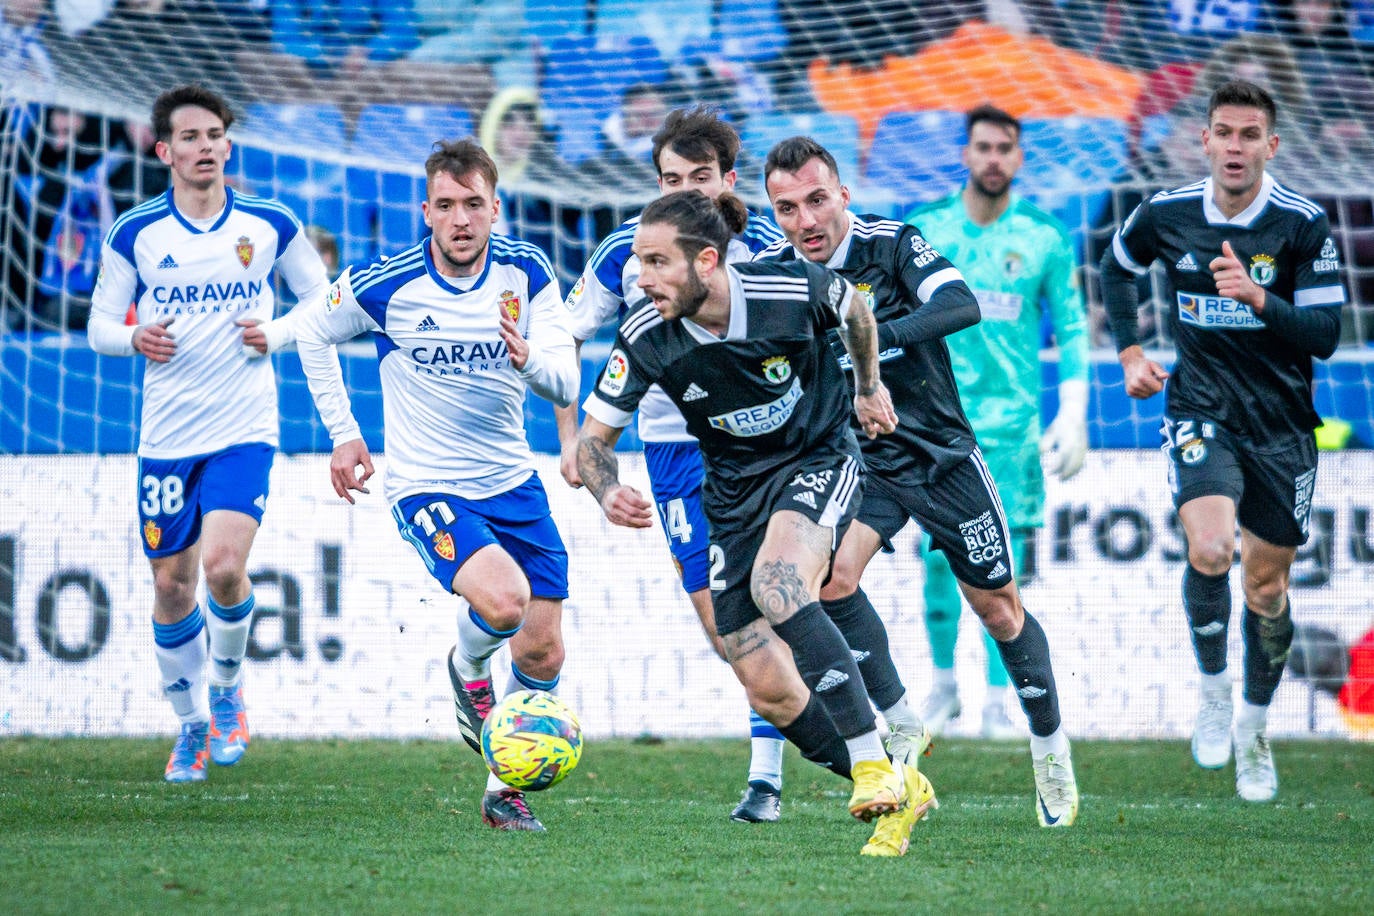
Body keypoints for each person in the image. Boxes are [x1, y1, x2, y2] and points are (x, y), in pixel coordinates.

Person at [576, 189, 937, 857]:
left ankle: (868, 763)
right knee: (762, 679)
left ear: (706, 261)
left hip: (818, 457)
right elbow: (592, 443)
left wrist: (866, 387)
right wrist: (605, 490)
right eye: (636, 262)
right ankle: (899, 781)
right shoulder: (645, 334)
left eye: (657, 262)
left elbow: (856, 309)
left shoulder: (785, 285)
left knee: (780, 582)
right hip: (735, 492)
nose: (642, 277)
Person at [244, 138, 579, 832]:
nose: (461, 220)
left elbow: (566, 380)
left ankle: (500, 790)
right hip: (428, 483)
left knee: (543, 648)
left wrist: (530, 362)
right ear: (426, 210)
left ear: (496, 207)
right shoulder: (386, 282)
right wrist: (343, 431)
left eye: (474, 206)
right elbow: (311, 332)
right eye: (447, 206)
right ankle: (467, 666)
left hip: (514, 481)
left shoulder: (528, 272)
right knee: (505, 600)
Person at [760, 136, 1080, 827]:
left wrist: (866, 338)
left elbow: (961, 305)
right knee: (829, 580)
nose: (805, 221)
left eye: (817, 200)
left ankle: (1050, 747)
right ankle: (903, 720)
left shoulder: (893, 243)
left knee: (998, 609)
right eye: (786, 208)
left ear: (843, 195)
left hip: (939, 453)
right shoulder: (778, 275)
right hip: (856, 460)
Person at [1099, 79, 1346, 802]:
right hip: (1200, 408)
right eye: (1223, 133)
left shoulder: (1303, 225)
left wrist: (1259, 298)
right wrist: (1129, 353)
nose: (1235, 147)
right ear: (1203, 139)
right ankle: (1212, 693)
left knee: (1265, 589)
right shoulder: (1166, 212)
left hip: (1282, 429)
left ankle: (1254, 726)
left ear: (1271, 146)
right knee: (1210, 549)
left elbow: (1327, 337)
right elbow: (1117, 270)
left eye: (1250, 136)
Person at [557, 105, 801, 824]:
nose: (690, 192)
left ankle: (770, 777)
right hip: (670, 451)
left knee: (773, 597)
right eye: (673, 179)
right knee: (725, 629)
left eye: (702, 177)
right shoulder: (626, 253)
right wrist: (571, 436)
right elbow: (562, 334)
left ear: (730, 179)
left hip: (758, 443)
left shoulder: (764, 252)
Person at [85, 85, 331, 782]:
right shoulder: (137, 233)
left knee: (223, 568)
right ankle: (190, 724)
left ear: (229, 144)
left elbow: (322, 301)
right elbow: (98, 326)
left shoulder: (270, 224)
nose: (204, 147)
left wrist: (277, 333)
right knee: (171, 588)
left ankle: (226, 693)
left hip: (244, 428)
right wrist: (135, 337)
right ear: (164, 151)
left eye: (214, 134)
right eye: (189, 137)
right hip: (166, 437)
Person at [904, 105, 1091, 740]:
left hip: (1011, 431)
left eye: (1004, 148)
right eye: (982, 146)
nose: (992, 158)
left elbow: (1070, 328)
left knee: (1000, 567)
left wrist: (1074, 411)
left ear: (1018, 157)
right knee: (935, 560)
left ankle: (995, 699)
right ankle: (944, 689)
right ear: (966, 153)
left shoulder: (1044, 236)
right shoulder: (925, 231)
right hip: (932, 423)